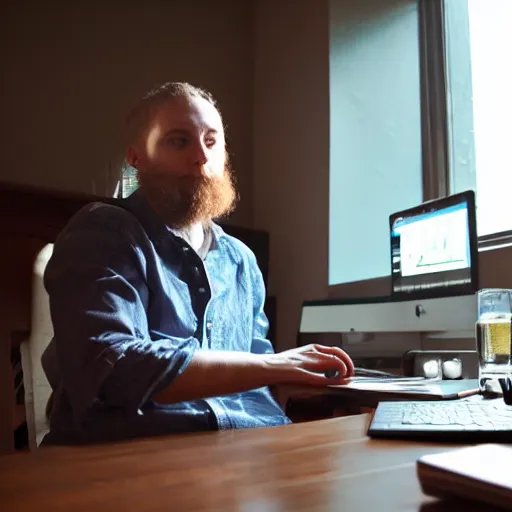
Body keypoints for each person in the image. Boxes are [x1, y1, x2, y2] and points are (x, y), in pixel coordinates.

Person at [41, 82, 354, 445]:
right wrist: (280, 365)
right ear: (136, 157)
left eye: (211, 140)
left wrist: (339, 384)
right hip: (136, 457)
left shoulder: (241, 260)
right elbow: (114, 368)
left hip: (246, 456)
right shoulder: (104, 231)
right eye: (178, 140)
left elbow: (259, 379)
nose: (201, 157)